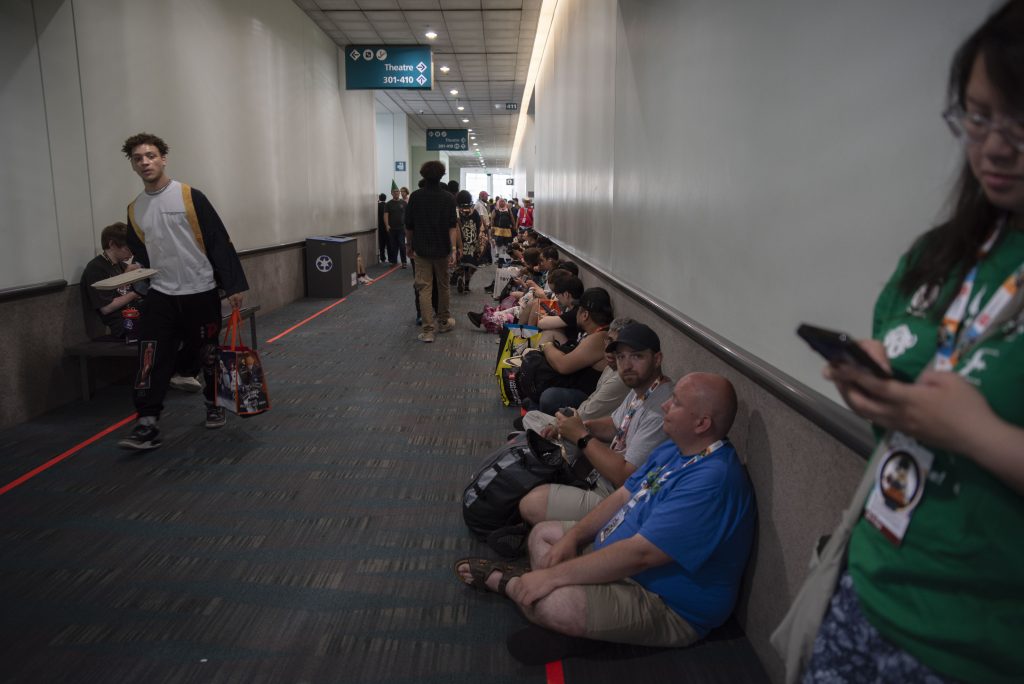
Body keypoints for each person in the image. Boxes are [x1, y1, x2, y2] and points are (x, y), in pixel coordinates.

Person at [785, 4, 1024, 682]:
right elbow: (919, 387)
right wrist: (879, 391)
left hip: (981, 648)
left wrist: (979, 434)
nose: (995, 147)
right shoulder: (944, 255)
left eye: (1020, 119)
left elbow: (964, 420)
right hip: (870, 589)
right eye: (977, 116)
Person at [456, 373, 754, 653]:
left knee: (553, 601)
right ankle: (561, 605)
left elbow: (641, 555)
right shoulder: (676, 449)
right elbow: (623, 496)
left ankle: (513, 584)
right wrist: (574, 537)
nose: (664, 405)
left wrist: (554, 578)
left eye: (675, 402)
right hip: (623, 559)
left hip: (663, 601)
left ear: (701, 424)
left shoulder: (713, 482)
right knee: (543, 535)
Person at [116, 132, 248, 450]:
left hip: (199, 291)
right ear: (133, 165)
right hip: (162, 295)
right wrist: (136, 270)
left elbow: (217, 238)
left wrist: (233, 286)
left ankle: (214, 402)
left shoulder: (190, 197)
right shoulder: (136, 210)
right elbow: (142, 253)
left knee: (208, 354)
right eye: (138, 158)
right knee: (150, 357)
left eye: (150, 156)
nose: (145, 162)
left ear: (163, 158)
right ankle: (147, 423)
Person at [519, 323, 674, 523]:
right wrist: (576, 427)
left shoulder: (661, 410)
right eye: (621, 357)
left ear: (657, 359)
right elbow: (615, 424)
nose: (626, 365)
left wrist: (581, 436)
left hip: (621, 498)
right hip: (599, 475)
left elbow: (625, 477)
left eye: (636, 356)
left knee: (531, 504)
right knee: (531, 436)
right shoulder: (643, 388)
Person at [518, 316, 633, 432]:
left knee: (541, 406)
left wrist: (558, 425)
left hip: (584, 429)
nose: (609, 349)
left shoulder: (620, 379)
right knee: (532, 415)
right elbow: (591, 401)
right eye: (609, 341)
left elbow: (587, 417)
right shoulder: (611, 366)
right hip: (582, 414)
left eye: (617, 346)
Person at [406, 160, 458, 343]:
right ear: (442, 176)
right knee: (443, 286)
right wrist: (453, 249)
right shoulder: (449, 198)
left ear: (423, 175)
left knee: (424, 288)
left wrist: (408, 245)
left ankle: (428, 330)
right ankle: (444, 321)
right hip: (443, 249)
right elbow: (453, 226)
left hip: (421, 250)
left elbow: (409, 226)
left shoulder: (415, 197)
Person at [81, 222, 144, 340]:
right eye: (127, 249)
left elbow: (124, 290)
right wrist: (136, 293)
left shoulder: (120, 265)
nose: (131, 254)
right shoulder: (96, 268)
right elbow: (106, 308)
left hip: (134, 313)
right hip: (122, 322)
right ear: (112, 244)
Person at [454, 190, 482, 293]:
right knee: (469, 262)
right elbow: (478, 225)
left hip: (459, 240)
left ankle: (460, 276)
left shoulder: (456, 211)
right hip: (471, 240)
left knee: (460, 260)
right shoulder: (473, 211)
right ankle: (467, 281)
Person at [384, 186, 408, 269]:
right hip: (392, 229)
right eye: (394, 192)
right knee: (393, 246)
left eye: (397, 192)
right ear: (391, 193)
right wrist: (387, 225)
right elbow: (386, 215)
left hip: (401, 228)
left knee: (402, 245)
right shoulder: (388, 204)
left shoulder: (404, 203)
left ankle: (404, 262)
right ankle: (394, 261)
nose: (396, 193)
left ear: (399, 193)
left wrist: (407, 225)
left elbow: (408, 214)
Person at [376, 193, 390, 264]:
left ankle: (382, 258)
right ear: (385, 198)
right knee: (389, 243)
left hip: (380, 227)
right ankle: (391, 257)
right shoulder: (387, 205)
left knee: (381, 243)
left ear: (379, 198)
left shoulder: (377, 206)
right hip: (387, 226)